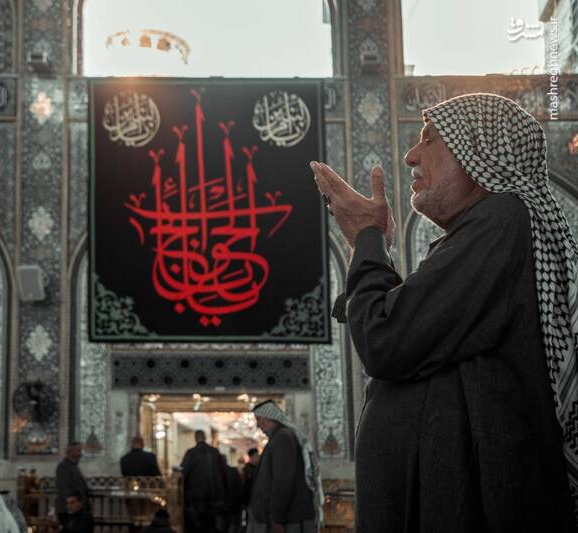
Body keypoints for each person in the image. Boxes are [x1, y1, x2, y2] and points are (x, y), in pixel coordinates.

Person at [311, 93, 578, 532]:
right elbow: (412, 326)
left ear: (479, 151)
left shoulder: (503, 219)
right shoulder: (491, 229)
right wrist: (371, 249)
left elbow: (386, 339)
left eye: (430, 138)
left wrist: (368, 239)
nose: (411, 156)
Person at [247, 400, 321, 533]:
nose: (258, 425)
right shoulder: (279, 437)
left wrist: (277, 518)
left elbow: (283, 481)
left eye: (259, 420)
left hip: (290, 519)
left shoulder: (283, 438)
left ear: (268, 418)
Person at [180, 430, 226, 533]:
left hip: (196, 495)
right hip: (213, 494)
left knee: (198, 524)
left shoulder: (191, 453)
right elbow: (222, 473)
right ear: (205, 437)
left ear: (196, 438)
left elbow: (183, 472)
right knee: (210, 523)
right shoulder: (214, 452)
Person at [56, 442, 90, 527]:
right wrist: (73, 503)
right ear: (71, 452)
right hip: (70, 509)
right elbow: (65, 487)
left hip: (78, 508)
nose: (81, 453)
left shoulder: (73, 466)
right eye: (79, 450)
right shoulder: (64, 467)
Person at [220, 454, 243, 533]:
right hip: (234, 506)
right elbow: (240, 488)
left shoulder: (217, 473)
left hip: (223, 507)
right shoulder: (233, 471)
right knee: (233, 526)